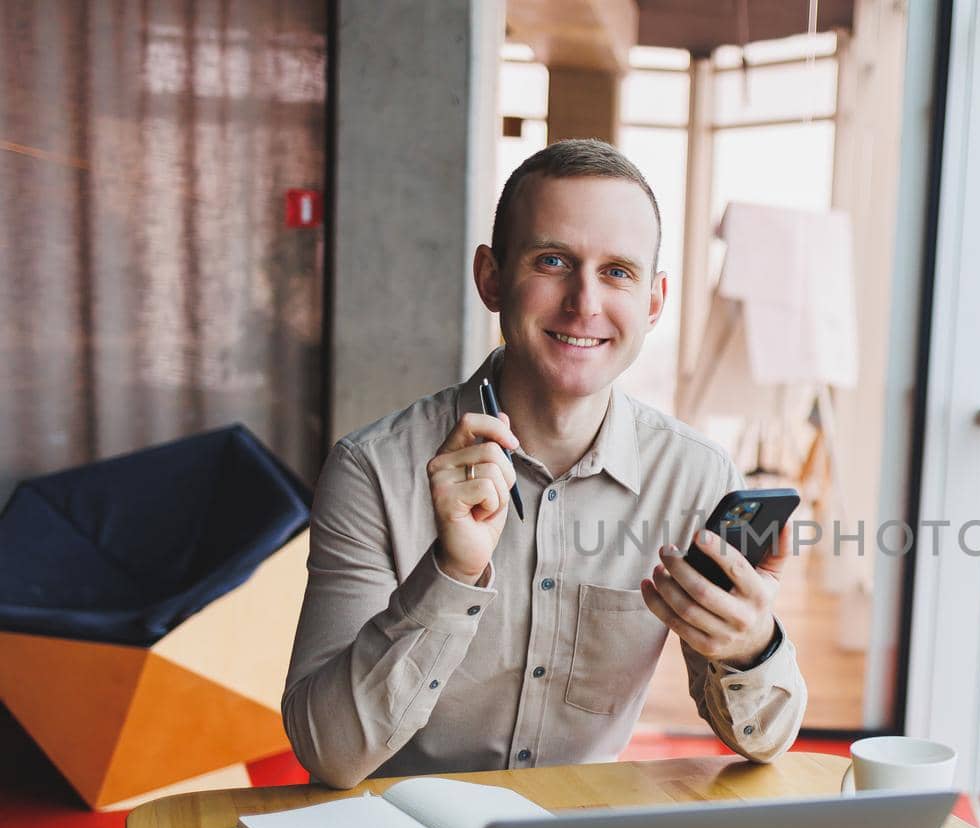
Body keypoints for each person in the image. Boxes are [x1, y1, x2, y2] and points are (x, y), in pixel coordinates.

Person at [282, 139, 807, 789]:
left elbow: (764, 742)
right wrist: (450, 573)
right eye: (553, 260)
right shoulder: (372, 470)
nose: (584, 302)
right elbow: (326, 753)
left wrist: (752, 644)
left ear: (653, 301)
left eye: (617, 270)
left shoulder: (695, 478)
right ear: (491, 278)